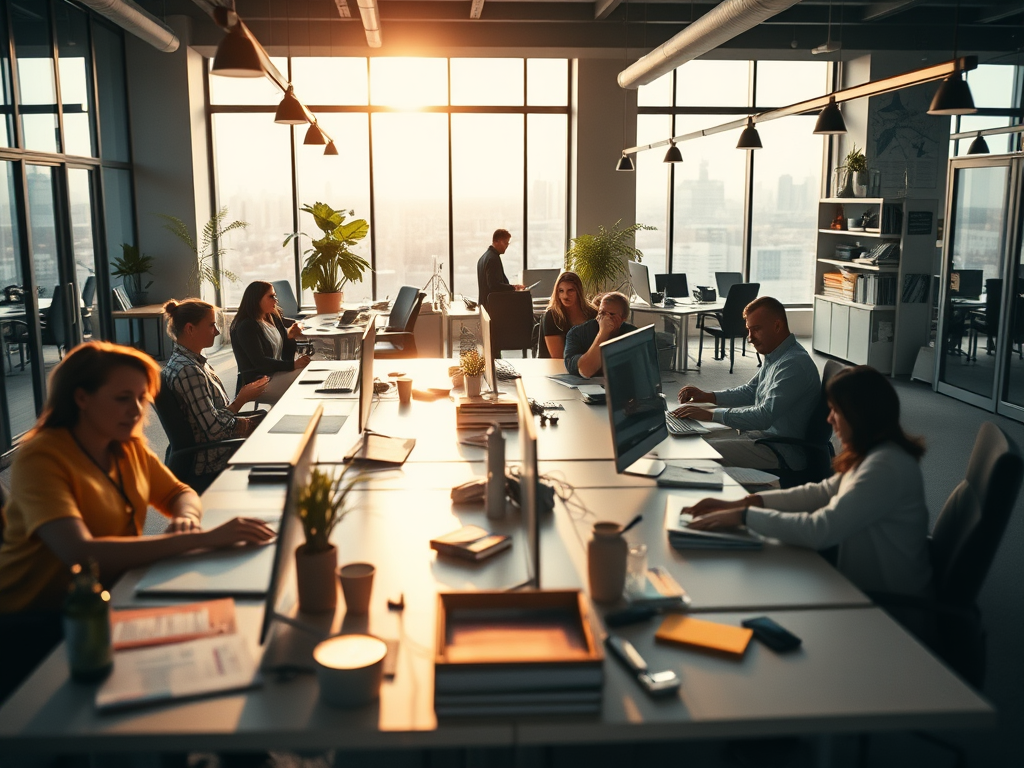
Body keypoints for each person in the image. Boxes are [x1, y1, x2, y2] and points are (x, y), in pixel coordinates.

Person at [0, 342, 275, 700]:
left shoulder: (125, 444)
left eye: (141, 398)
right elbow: (80, 553)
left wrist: (186, 519)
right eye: (122, 398)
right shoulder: (42, 458)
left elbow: (180, 493)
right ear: (81, 398)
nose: (137, 410)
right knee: (193, 653)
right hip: (39, 622)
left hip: (111, 595)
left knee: (221, 626)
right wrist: (200, 539)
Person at [683, 365, 933, 598]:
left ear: (858, 415)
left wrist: (744, 517)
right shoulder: (875, 454)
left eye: (836, 411)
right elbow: (820, 492)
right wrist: (747, 503)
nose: (830, 419)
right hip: (859, 588)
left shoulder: (885, 467)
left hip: (887, 609)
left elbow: (819, 530)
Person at [673, 296, 819, 469]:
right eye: (749, 330)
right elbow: (750, 391)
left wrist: (710, 413)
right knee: (692, 438)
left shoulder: (793, 364)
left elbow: (764, 416)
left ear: (777, 326)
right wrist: (708, 396)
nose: (750, 338)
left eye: (756, 329)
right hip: (761, 437)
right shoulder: (777, 355)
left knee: (700, 451)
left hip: (780, 449)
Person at [162, 299, 269, 485]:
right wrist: (241, 400)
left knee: (268, 421)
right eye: (212, 325)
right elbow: (215, 431)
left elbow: (211, 416)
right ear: (190, 329)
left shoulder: (190, 361)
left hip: (212, 447)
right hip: (210, 460)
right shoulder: (189, 371)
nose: (217, 331)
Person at [230, 280, 311, 404]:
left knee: (308, 373)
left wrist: (290, 337)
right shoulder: (246, 326)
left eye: (275, 296)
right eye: (271, 296)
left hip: (274, 374)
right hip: (258, 382)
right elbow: (260, 363)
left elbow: (285, 351)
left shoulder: (272, 317)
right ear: (257, 299)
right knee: (305, 380)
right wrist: (293, 365)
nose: (276, 300)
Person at [563, 292, 637, 378]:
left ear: (623, 318)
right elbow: (585, 371)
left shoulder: (633, 335)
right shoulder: (577, 334)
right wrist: (603, 333)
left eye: (611, 314)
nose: (606, 318)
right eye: (602, 313)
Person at [539, 271, 597, 359]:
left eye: (570, 290)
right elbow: (559, 357)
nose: (565, 296)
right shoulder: (552, 316)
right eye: (561, 291)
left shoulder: (593, 313)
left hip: (589, 367)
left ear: (578, 292)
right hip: (557, 368)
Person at [476, 228, 523, 310]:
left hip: (485, 306)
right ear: (496, 241)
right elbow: (494, 285)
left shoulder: (483, 258)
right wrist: (513, 288)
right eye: (505, 243)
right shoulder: (493, 259)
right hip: (493, 307)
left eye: (508, 243)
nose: (507, 246)